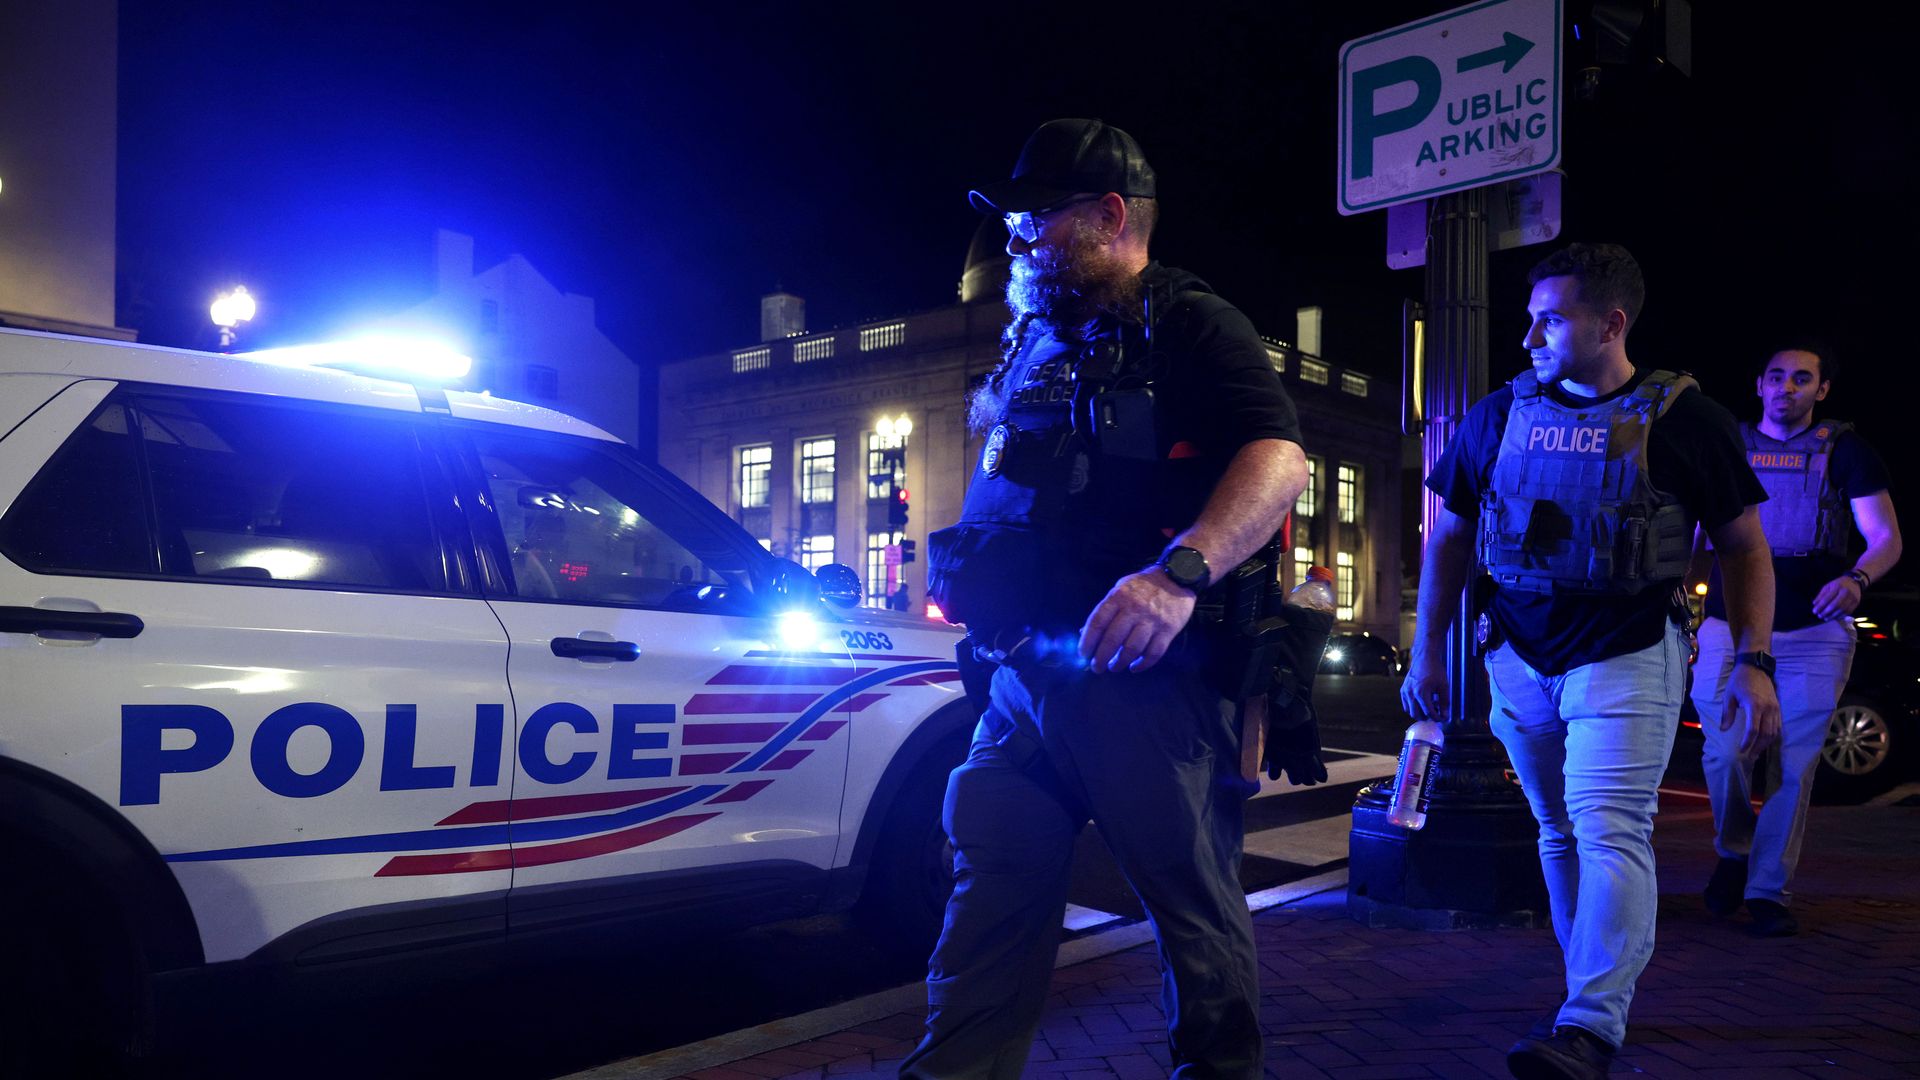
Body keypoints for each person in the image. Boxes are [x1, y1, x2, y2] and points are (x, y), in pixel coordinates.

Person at [906, 118, 1309, 1079]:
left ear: (1110, 215)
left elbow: (1280, 457)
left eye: (1037, 219)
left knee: (1191, 915)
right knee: (989, 889)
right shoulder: (1037, 337)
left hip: (1145, 683)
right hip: (1023, 678)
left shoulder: (1190, 323)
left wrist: (1179, 575)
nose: (1018, 239)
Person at [1400, 243, 1781, 1080]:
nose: (1530, 333)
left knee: (1611, 827)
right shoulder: (1496, 416)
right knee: (1558, 828)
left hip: (1629, 653)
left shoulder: (1687, 420)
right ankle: (1582, 999)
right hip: (1517, 660)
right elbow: (1452, 538)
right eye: (1530, 315)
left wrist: (1754, 660)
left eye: (1552, 318)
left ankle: (1590, 1022)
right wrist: (1428, 649)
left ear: (1611, 324)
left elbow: (1746, 548)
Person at [1688, 342, 1901, 936]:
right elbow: (1693, 528)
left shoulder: (1846, 451)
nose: (1787, 388)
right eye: (1776, 377)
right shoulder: (1727, 444)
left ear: (1821, 390)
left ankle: (1767, 891)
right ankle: (1734, 852)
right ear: (1758, 384)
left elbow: (1885, 537)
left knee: (1794, 764)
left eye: (1801, 379)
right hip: (1730, 625)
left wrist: (1859, 578)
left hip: (1813, 631)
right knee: (1725, 751)